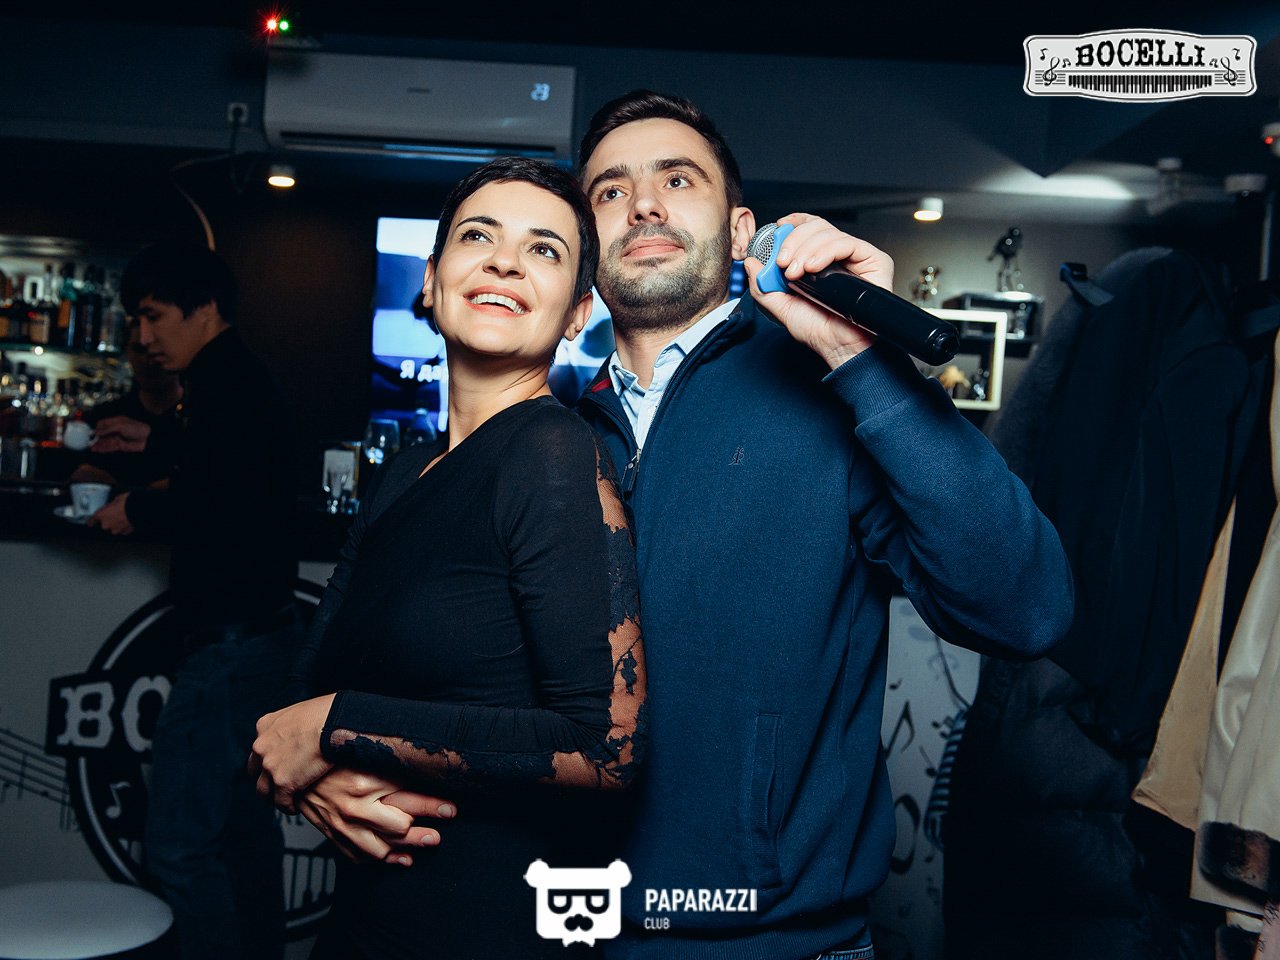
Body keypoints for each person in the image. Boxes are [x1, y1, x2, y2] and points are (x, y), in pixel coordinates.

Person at [561, 91, 1074, 959]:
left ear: (741, 231)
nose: (643, 203)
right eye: (610, 191)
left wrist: (856, 356)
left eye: (677, 180)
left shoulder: (830, 395)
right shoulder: (548, 434)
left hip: (789, 945)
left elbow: (1024, 609)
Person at [248, 157, 646, 960]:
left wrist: (339, 727)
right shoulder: (406, 471)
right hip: (365, 922)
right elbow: (294, 702)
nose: (505, 262)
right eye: (478, 237)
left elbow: (609, 749)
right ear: (430, 282)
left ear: (577, 314)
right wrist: (321, 781)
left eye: (543, 250)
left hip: (484, 926)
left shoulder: (551, 453)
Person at [90, 243, 300, 960]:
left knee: (179, 849)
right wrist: (153, 445)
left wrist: (137, 508)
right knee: (243, 837)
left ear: (204, 308)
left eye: (153, 316)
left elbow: (225, 505)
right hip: (259, 641)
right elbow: (227, 473)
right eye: (135, 320)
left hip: (228, 650)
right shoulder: (229, 379)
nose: (143, 336)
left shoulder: (224, 385)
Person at [72, 320, 183, 488]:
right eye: (139, 349)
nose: (148, 360)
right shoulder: (107, 416)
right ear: (127, 353)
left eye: (158, 349)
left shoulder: (197, 418)